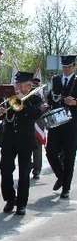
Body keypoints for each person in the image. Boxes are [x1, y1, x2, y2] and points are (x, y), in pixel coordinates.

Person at [0, 71, 43, 215]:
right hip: (8, 140)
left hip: (25, 140)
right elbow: (2, 117)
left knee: (24, 173)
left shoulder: (35, 98)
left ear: (29, 86)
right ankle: (10, 199)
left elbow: (35, 114)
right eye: (17, 84)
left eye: (22, 85)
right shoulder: (9, 97)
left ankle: (22, 204)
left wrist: (21, 100)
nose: (19, 87)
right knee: (5, 170)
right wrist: (2, 111)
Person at [46, 55, 77, 199]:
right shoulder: (56, 79)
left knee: (69, 156)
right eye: (64, 67)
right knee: (50, 151)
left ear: (74, 66)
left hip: (72, 124)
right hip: (56, 122)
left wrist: (75, 102)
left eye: (69, 67)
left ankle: (66, 188)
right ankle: (61, 176)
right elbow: (50, 97)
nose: (66, 70)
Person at [30, 77, 45, 180]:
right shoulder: (26, 93)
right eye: (33, 83)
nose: (35, 85)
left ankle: (37, 170)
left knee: (37, 147)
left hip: (38, 122)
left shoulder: (41, 94)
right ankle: (29, 165)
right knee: (25, 146)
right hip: (27, 122)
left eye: (36, 84)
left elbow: (42, 107)